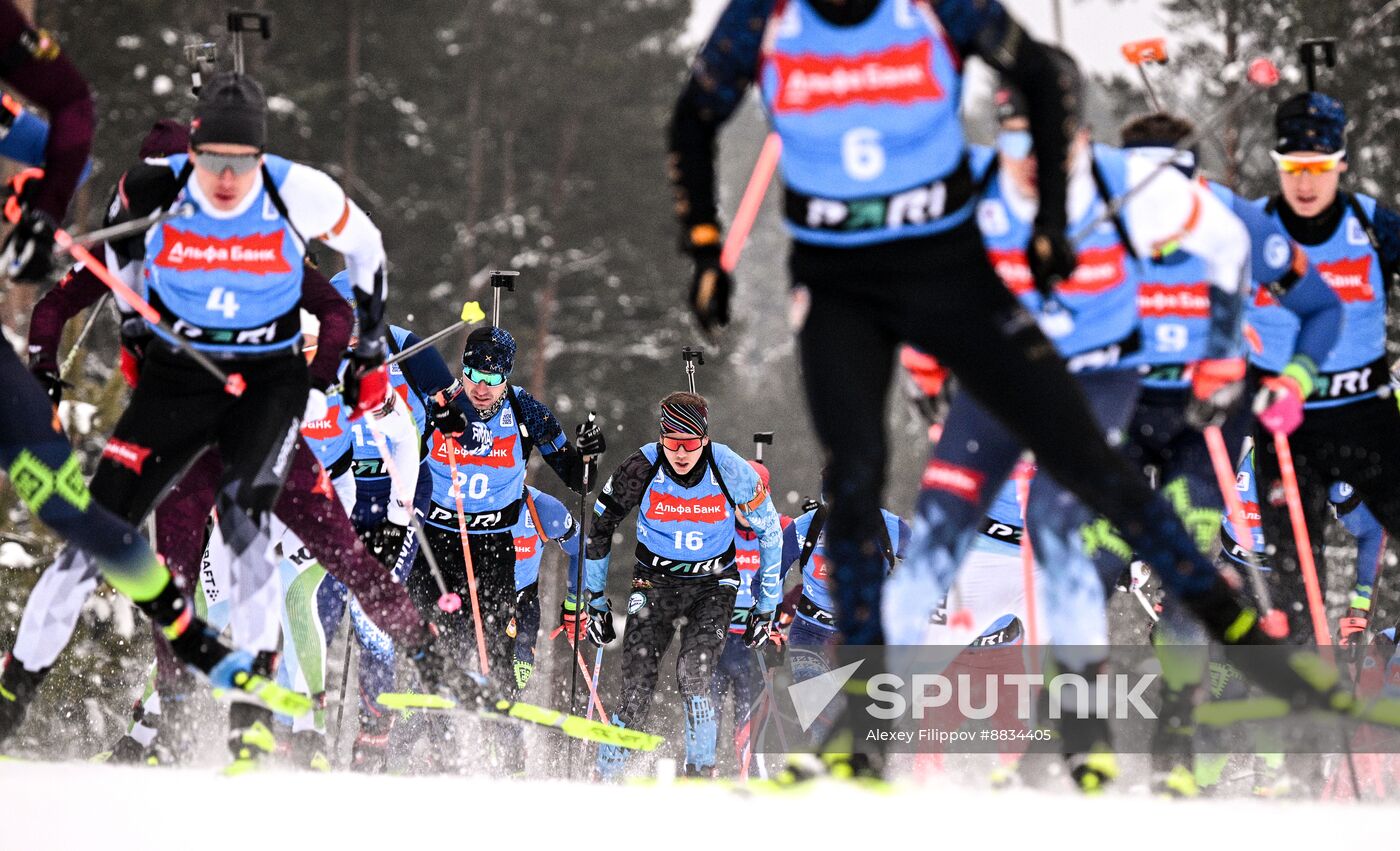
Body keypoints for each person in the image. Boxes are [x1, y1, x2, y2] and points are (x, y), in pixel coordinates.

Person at [669, 0, 1347, 781]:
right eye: (1017, 136)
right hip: (991, 490)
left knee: (1089, 563)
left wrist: (1233, 354)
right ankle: (851, 742)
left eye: (1048, 140)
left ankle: (1116, 744)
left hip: (1093, 418)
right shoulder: (978, 185)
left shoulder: (1131, 193)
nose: (1032, 157)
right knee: (919, 589)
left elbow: (1233, 249)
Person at [0, 14, 303, 744]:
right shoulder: (131, 228)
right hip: (162, 403)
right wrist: (43, 366)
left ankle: (250, 712)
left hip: (239, 399)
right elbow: (58, 299)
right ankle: (16, 695)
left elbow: (304, 293)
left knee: (243, 538)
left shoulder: (246, 220)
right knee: (88, 541)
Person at [409, 324, 603, 771]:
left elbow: (579, 479)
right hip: (436, 541)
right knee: (438, 645)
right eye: (474, 374)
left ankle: (506, 755)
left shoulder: (526, 411)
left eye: (494, 379)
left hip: (493, 546)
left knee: (496, 651)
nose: (481, 387)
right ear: (463, 369)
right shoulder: (438, 402)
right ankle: (439, 751)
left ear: (507, 378)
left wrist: (590, 456)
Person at [1245, 92, 1400, 642]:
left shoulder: (1373, 223)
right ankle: (1305, 700)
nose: (1304, 185)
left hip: (1365, 412)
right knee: (1293, 573)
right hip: (1286, 426)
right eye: (1292, 169)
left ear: (1340, 165)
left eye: (1317, 170)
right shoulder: (1252, 230)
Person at [577, 392, 784, 778]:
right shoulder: (641, 466)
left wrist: (766, 605)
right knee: (637, 687)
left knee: (694, 673)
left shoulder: (730, 467)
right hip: (653, 583)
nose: (680, 452)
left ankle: (699, 774)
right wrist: (596, 601)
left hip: (713, 584)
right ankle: (607, 775)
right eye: (672, 443)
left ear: (704, 439)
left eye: (690, 443)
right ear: (661, 439)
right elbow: (600, 530)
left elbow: (770, 533)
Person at [712, 458, 797, 777]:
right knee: (707, 717)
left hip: (756, 642)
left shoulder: (782, 527)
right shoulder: (717, 525)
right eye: (738, 500)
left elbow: (815, 544)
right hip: (718, 640)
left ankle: (753, 778)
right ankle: (699, 774)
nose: (745, 509)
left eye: (753, 499)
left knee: (748, 723)